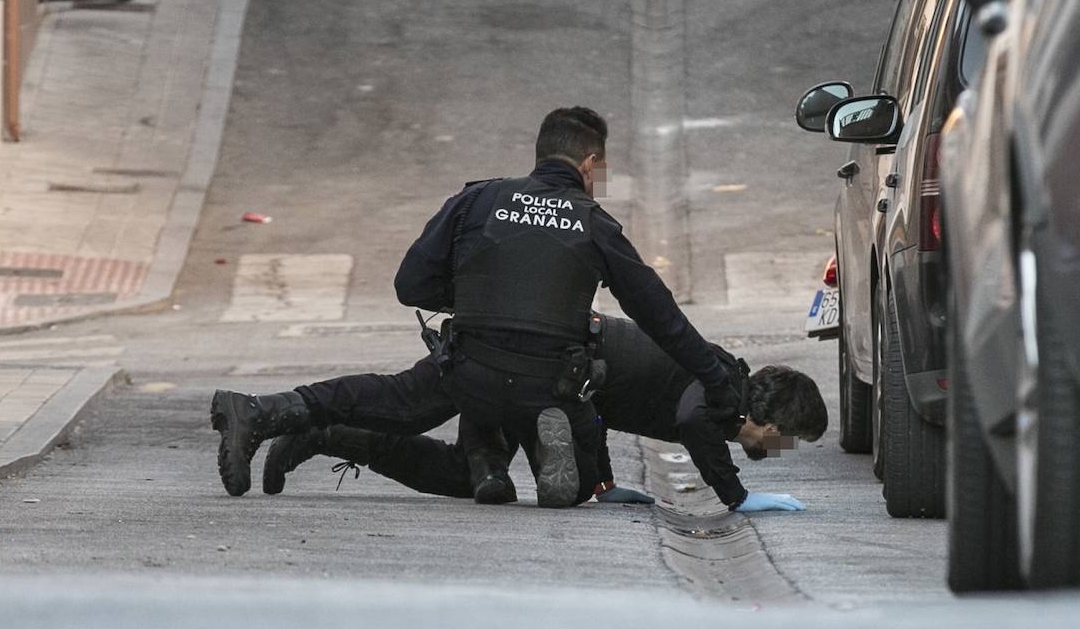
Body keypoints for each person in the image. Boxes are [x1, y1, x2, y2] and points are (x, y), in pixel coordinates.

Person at [211, 107, 739, 503]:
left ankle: (259, 410)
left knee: (398, 401)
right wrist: (716, 380)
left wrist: (480, 297)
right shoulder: (594, 224)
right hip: (548, 380)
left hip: (470, 368)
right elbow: (660, 318)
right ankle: (545, 451)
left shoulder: (477, 200)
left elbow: (409, 285)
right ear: (590, 162)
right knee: (571, 473)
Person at [263, 315, 828, 512]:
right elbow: (687, 422)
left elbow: (609, 400)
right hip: (546, 367)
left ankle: (325, 433)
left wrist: (605, 481)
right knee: (413, 408)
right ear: (774, 423)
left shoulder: (721, 381)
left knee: (461, 469)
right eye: (788, 439)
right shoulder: (720, 389)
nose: (781, 449)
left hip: (566, 377)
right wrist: (737, 497)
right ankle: (319, 427)